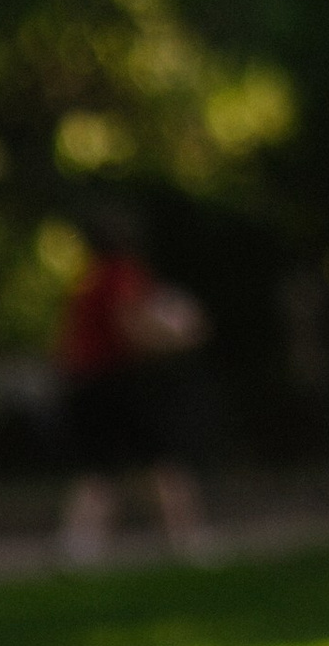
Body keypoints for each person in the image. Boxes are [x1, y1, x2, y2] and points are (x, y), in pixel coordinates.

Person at [56, 201, 212, 562]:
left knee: (103, 467)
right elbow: (131, 329)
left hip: (89, 381)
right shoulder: (121, 275)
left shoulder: (90, 279)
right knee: (159, 461)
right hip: (116, 380)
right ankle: (185, 542)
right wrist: (182, 337)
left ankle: (80, 547)